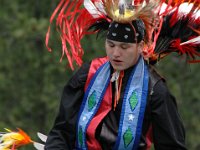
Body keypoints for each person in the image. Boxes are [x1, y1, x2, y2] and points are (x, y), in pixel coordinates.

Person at [44, 0, 200, 149]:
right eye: (111, 45)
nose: (115, 53)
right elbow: (62, 132)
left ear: (140, 47)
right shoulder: (88, 74)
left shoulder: (155, 91)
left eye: (124, 47)